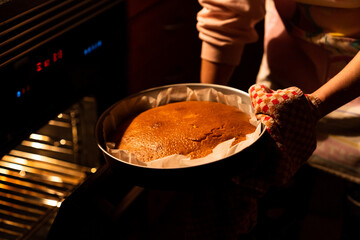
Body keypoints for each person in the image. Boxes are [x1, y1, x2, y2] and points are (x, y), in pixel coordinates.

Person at [188, 0, 360, 238]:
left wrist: (311, 107)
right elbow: (229, 11)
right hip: (280, 96)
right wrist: (207, 106)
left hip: (354, 114)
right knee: (277, 214)